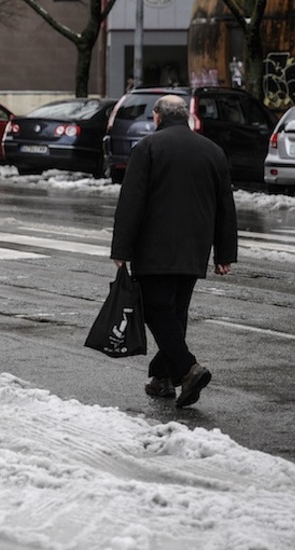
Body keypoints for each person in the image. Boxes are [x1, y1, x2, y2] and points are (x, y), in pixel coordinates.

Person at [110, 94, 237, 407]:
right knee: (175, 313)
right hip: (194, 251)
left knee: (156, 311)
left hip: (155, 250)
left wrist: (121, 248)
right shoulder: (213, 151)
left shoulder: (148, 148)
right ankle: (161, 378)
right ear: (185, 117)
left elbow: (132, 202)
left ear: (157, 117)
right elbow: (225, 206)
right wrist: (224, 253)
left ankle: (188, 369)